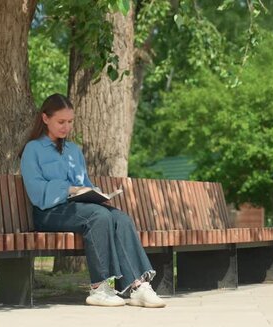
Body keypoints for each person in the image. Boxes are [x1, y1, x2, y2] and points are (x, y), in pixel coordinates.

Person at [20, 93, 166, 308]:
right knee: (98, 216)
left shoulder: (73, 151)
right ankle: (100, 289)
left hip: (79, 209)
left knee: (120, 218)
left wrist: (94, 193)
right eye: (61, 122)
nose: (66, 127)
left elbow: (85, 183)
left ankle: (138, 286)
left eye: (70, 122)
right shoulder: (33, 149)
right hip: (49, 212)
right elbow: (35, 190)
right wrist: (69, 188)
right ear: (45, 119)